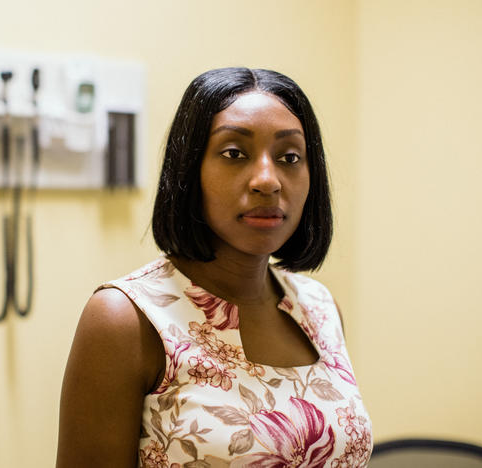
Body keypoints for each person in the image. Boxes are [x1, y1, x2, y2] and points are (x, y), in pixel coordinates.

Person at [57, 67, 372, 467]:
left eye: (289, 157)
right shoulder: (127, 319)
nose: (267, 180)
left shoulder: (320, 308)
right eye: (234, 154)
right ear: (189, 171)